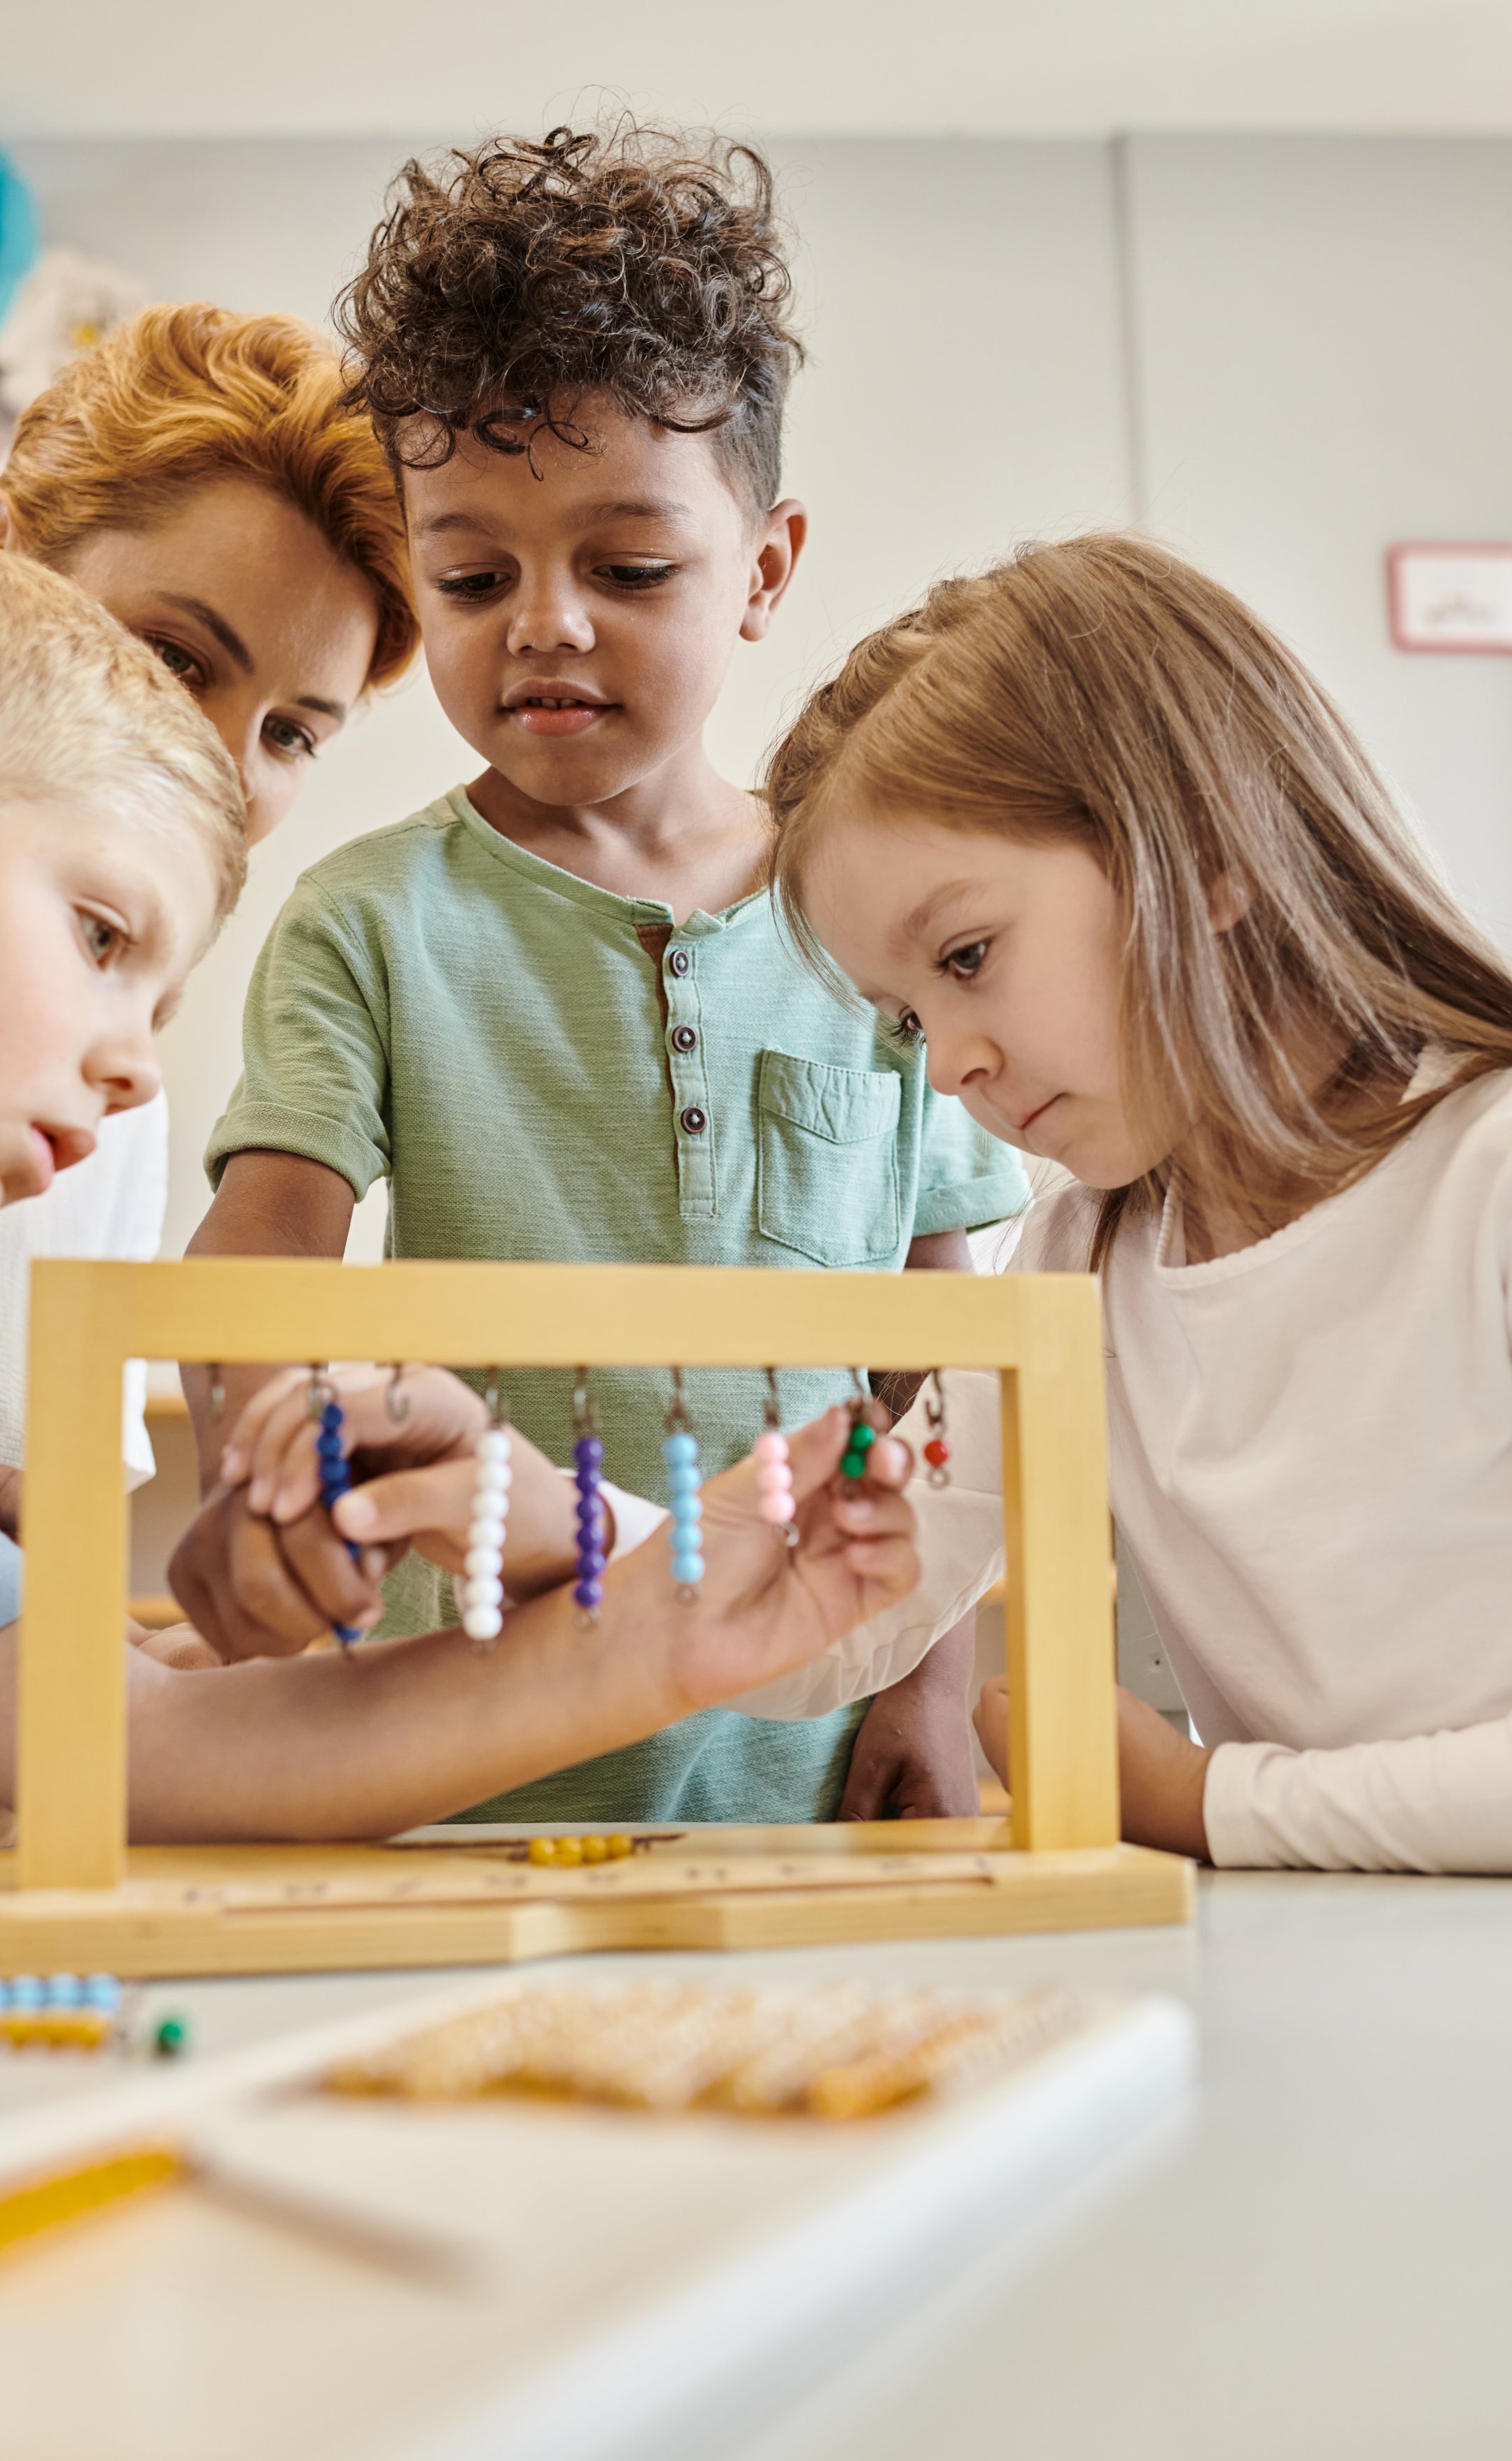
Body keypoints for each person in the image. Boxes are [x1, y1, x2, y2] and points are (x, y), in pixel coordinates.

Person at [183, 126, 1022, 1826]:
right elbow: (257, 1268)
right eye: (474, 577)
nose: (546, 625)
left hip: (817, 1761)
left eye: (630, 570)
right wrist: (279, 1469)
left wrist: (934, 1686)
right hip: (468, 1762)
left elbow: (953, 1357)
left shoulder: (874, 913)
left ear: (765, 570)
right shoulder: (371, 918)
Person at [0, 534, 917, 1852]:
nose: (132, 1065)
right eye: (100, 936)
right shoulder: (378, 916)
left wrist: (679, 1625)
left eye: (158, 1004)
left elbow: (151, 1747)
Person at [766, 531, 1512, 1876]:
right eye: (910, 1020)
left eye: (970, 956)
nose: (954, 1060)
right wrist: (567, 1533)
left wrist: (1208, 1804)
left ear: (1208, 852)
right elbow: (848, 1608)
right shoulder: (1074, 1265)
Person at [0, 302, 417, 1542]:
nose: (228, 770)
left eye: (294, 731)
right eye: (178, 656)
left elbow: (51, 1543)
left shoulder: (112, 1094)